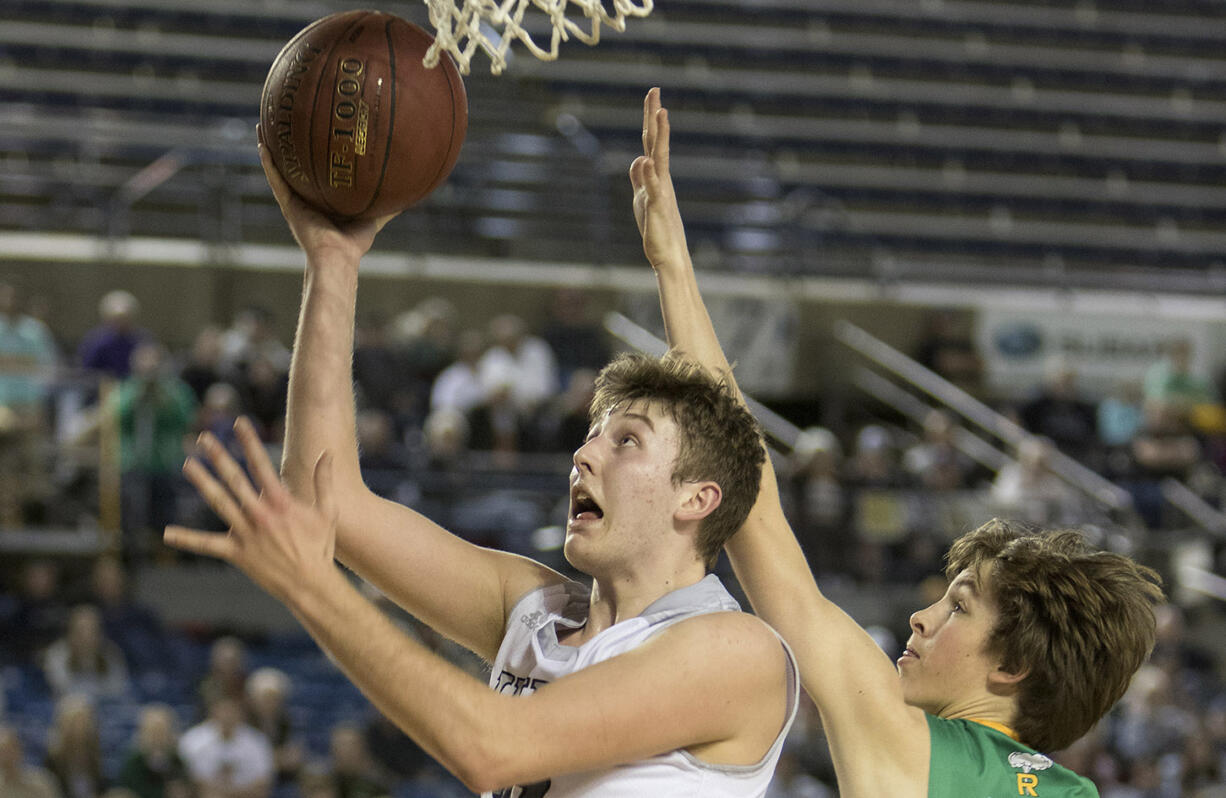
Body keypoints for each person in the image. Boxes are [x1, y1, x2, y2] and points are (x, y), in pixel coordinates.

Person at [161, 118, 798, 797]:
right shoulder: (536, 610)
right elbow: (329, 503)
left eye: (627, 439)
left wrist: (314, 590)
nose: (582, 454)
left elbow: (493, 747)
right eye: (592, 433)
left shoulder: (736, 652)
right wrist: (334, 264)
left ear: (696, 498)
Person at [629, 87, 1164, 797]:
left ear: (1009, 667)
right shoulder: (1078, 792)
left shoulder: (910, 741)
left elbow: (752, 507)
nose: (920, 615)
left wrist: (673, 267)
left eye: (958, 606)